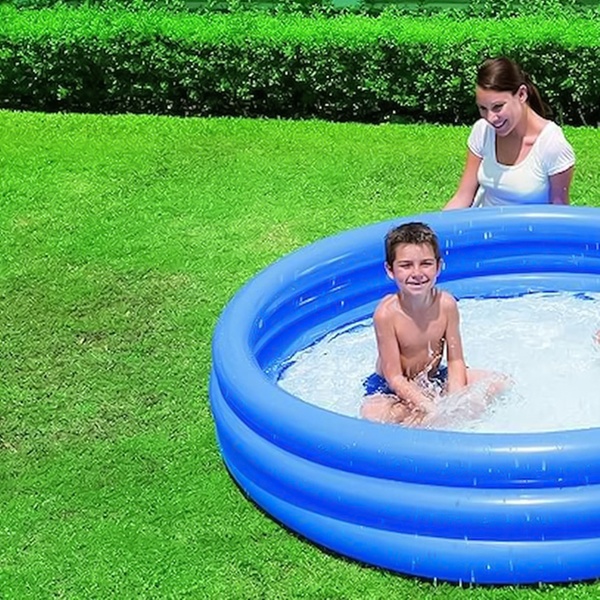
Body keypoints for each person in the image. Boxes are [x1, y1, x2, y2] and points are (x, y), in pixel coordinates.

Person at [360, 222, 507, 426]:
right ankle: (421, 421)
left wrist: (455, 401)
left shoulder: (446, 304)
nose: (417, 273)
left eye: (426, 264)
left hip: (433, 378)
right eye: (406, 265)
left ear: (438, 266)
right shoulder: (386, 314)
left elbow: (456, 360)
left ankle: (425, 421)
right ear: (390, 270)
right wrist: (430, 406)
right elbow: (394, 378)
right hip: (391, 388)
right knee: (374, 415)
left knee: (499, 381)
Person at [444, 56, 575, 209]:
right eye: (483, 108)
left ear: (522, 94)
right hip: (485, 223)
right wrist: (434, 225)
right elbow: (463, 196)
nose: (490, 118)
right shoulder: (483, 131)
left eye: (498, 107)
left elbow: (559, 213)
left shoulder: (552, 145)